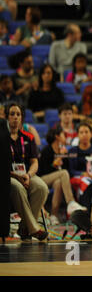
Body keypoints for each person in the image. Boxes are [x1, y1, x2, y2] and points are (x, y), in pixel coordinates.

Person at [6, 102, 48, 241]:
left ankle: (24, 228)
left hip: (26, 174)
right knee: (18, 187)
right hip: (8, 176)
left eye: (18, 114)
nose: (15, 117)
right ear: (6, 117)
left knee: (42, 187)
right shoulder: (2, 137)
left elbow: (34, 162)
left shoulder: (28, 137)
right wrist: (17, 176)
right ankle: (34, 229)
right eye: (12, 114)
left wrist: (28, 175)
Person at [38, 126, 86, 225]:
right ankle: (70, 202)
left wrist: (64, 157)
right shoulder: (47, 150)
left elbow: (68, 170)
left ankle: (53, 215)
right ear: (57, 137)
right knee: (63, 173)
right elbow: (44, 170)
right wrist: (58, 160)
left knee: (59, 182)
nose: (65, 137)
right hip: (43, 179)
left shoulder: (63, 150)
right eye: (63, 135)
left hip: (57, 179)